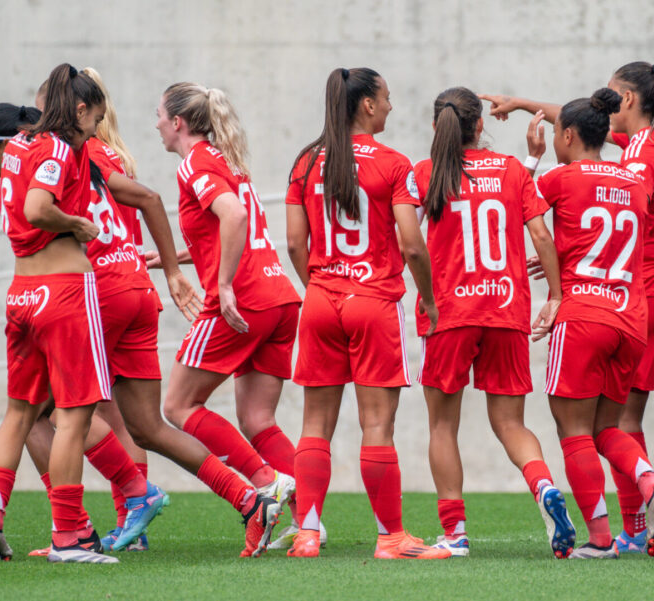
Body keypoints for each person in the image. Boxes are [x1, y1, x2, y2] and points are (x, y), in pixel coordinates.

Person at [481, 67, 654, 557]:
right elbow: (596, 139)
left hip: (640, 297)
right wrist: (526, 102)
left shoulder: (634, 157)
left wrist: (562, 258)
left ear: (627, 98)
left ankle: (631, 526)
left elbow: (576, 196)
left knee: (613, 424)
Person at [285, 67, 449, 560]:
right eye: (387, 98)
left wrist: (318, 286)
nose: (392, 107)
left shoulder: (306, 161)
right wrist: (427, 297)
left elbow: (295, 242)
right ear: (367, 106)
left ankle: (308, 533)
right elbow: (413, 245)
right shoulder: (394, 164)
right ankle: (391, 538)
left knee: (315, 423)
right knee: (377, 425)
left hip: (321, 299)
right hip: (374, 301)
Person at [413, 87, 575, 558]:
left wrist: (422, 294)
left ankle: (455, 534)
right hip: (505, 310)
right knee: (510, 423)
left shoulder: (425, 174)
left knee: (443, 426)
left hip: (448, 312)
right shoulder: (509, 170)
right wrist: (557, 295)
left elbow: (408, 239)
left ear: (436, 127)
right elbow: (541, 233)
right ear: (480, 125)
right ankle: (544, 486)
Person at [0, 63, 116, 564]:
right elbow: (38, 208)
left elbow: (17, 194)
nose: (97, 129)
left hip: (22, 294)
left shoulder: (17, 148)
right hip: (62, 292)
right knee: (74, 418)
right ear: (79, 109)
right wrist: (78, 222)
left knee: (19, 413)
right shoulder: (56, 146)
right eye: (96, 118)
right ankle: (69, 537)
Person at [157, 82, 302, 557]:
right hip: (280, 297)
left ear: (178, 122)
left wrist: (219, 286)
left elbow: (234, 217)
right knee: (257, 418)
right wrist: (173, 258)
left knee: (177, 406)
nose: (156, 124)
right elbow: (223, 226)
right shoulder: (226, 161)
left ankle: (265, 484)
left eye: (159, 115)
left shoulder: (195, 163)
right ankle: (309, 522)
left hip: (245, 302)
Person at [532, 88, 654, 559]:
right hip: (631, 320)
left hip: (582, 315)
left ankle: (598, 538)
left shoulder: (560, 177)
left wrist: (532, 160)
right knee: (607, 429)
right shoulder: (635, 182)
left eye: (555, 133)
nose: (554, 140)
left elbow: (523, 212)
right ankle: (652, 485)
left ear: (569, 135)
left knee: (572, 430)